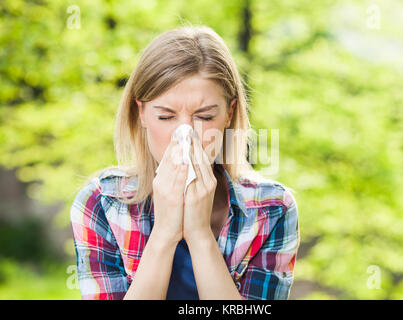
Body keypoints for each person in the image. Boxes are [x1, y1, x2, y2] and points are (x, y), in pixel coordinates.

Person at [70, 25, 300, 300]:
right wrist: (165, 233)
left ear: (230, 113)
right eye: (166, 117)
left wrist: (200, 235)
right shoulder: (101, 204)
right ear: (141, 113)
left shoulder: (273, 209)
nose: (185, 136)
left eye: (204, 117)